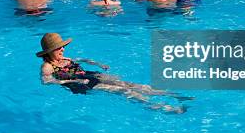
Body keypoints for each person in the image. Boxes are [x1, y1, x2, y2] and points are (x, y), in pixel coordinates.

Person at [37, 33, 188, 113]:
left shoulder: (64, 58)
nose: (62, 49)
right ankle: (164, 108)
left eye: (63, 46)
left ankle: (171, 94)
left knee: (128, 84)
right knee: (123, 91)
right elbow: (47, 81)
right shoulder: (47, 66)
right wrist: (71, 82)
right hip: (82, 83)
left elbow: (81, 59)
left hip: (89, 75)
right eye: (59, 48)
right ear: (49, 51)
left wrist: (97, 63)